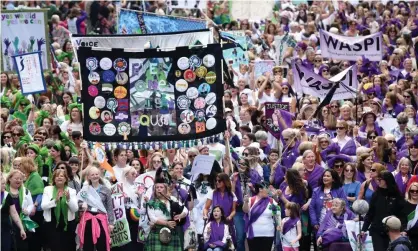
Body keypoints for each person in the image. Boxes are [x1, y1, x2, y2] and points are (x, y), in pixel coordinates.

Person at [362, 171, 405, 251]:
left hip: (393, 230)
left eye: (380, 179)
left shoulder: (397, 196)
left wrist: (403, 230)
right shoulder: (376, 194)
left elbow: (402, 214)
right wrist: (364, 229)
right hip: (377, 230)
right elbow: (370, 213)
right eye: (377, 179)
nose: (378, 181)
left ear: (387, 180)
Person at [145, 172, 188, 251]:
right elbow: (152, 218)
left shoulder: (172, 200)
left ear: (166, 188)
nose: (159, 189)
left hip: (171, 231)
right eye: (157, 187)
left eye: (161, 187)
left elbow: (185, 209)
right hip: (156, 231)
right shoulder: (151, 203)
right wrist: (166, 223)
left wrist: (180, 215)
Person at [77, 166, 115, 251]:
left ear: (100, 175)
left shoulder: (106, 190)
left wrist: (111, 223)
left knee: (102, 244)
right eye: (92, 174)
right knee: (88, 245)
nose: (95, 176)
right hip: (88, 219)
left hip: (101, 219)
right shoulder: (85, 189)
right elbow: (78, 201)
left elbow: (109, 207)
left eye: (97, 174)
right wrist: (82, 204)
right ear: (89, 177)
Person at [41, 169, 78, 251]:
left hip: (67, 225)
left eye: (62, 176)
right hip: (52, 225)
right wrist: (55, 200)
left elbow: (75, 209)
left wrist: (68, 199)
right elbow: (43, 206)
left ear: (65, 179)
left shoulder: (71, 191)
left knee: (68, 247)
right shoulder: (47, 189)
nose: (59, 178)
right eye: (57, 176)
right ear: (54, 179)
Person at [243, 182, 279, 251]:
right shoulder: (251, 200)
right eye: (267, 188)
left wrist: (279, 224)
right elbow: (245, 211)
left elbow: (277, 214)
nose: (268, 191)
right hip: (253, 234)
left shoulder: (271, 201)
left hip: (268, 233)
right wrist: (246, 202)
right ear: (260, 189)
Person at [1, 175, 27, 251]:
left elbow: (14, 213)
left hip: (5, 229)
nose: (5, 186)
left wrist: (21, 228)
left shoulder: (7, 195)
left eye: (4, 183)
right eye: (2, 184)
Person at [401, 182, 418, 250]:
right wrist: (404, 231)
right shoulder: (404, 204)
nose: (415, 193)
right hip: (407, 236)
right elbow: (402, 220)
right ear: (409, 192)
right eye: (412, 191)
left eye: (417, 191)